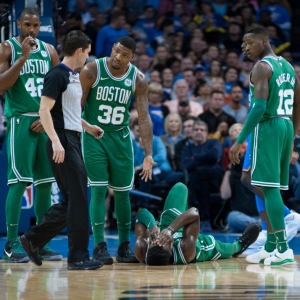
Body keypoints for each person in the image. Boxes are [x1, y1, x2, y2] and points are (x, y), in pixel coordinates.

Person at [19, 30, 103, 270]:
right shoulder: (56, 75)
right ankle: (77, 256)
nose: (88, 58)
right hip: (62, 140)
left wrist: (87, 127)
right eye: (87, 53)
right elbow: (44, 110)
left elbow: (70, 113)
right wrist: (55, 141)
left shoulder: (73, 77)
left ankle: (32, 238)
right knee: (77, 198)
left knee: (71, 200)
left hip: (73, 138)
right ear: (79, 51)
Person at [80, 36, 155, 265]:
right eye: (116, 51)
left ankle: (124, 247)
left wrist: (148, 153)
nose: (118, 57)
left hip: (121, 138)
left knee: (123, 193)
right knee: (99, 190)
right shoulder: (92, 70)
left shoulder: (139, 79)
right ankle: (99, 246)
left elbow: (143, 117)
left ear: (132, 58)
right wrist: (83, 128)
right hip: (95, 135)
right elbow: (76, 107)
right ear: (112, 48)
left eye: (124, 55)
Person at [229, 24, 300, 266]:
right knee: (269, 186)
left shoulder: (262, 67)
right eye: (243, 44)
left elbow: (258, 107)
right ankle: (270, 245)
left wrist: (239, 142)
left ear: (263, 41)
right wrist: (292, 135)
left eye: (248, 43)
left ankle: (282, 248)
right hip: (285, 125)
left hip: (268, 126)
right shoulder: (288, 66)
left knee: (267, 188)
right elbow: (298, 104)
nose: (244, 47)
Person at [0, 7, 62, 263]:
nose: (32, 30)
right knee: (19, 183)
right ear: (18, 24)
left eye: (35, 26)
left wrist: (46, 116)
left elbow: (61, 87)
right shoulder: (7, 48)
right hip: (19, 121)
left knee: (45, 184)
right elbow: (1, 86)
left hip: (43, 121)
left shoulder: (50, 51)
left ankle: (38, 241)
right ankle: (11, 243)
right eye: (27, 25)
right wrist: (22, 59)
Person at [134, 182, 261, 265]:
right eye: (162, 242)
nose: (158, 239)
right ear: (171, 246)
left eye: (155, 241)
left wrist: (152, 226)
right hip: (197, 243)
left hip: (168, 226)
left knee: (180, 187)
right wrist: (170, 231)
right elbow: (194, 213)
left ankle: (165, 224)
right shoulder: (186, 250)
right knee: (226, 249)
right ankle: (239, 245)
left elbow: (141, 214)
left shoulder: (141, 249)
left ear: (149, 244)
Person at [182, 120, 224, 232]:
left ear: (206, 133)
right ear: (192, 132)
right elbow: (186, 164)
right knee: (202, 182)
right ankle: (205, 221)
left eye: (202, 130)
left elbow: (215, 155)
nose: (199, 132)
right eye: (196, 130)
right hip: (199, 181)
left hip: (216, 179)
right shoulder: (187, 148)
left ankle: (187, 207)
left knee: (200, 172)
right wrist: (206, 159)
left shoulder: (214, 142)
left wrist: (195, 158)